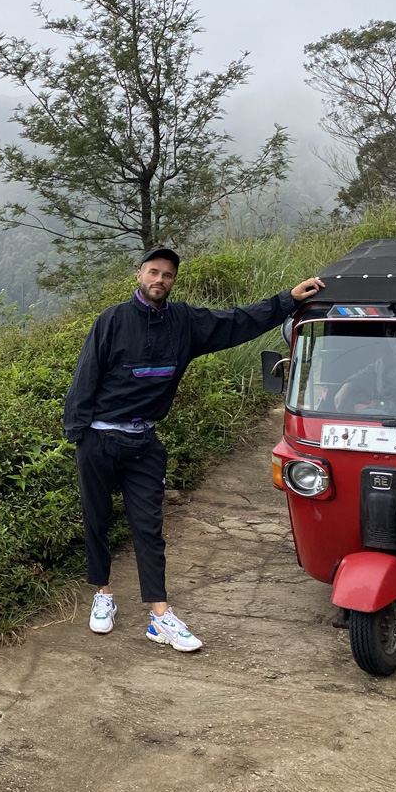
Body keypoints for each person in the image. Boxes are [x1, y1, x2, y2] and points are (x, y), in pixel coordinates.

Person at [63, 246, 325, 652]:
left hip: (144, 442)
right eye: (153, 272)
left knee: (149, 529)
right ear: (139, 275)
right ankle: (103, 593)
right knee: (96, 519)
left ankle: (160, 616)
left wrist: (286, 301)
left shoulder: (185, 322)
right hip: (99, 437)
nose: (159, 280)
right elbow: (86, 374)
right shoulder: (112, 320)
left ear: (173, 281)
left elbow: (237, 321)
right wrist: (79, 434)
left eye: (167, 275)